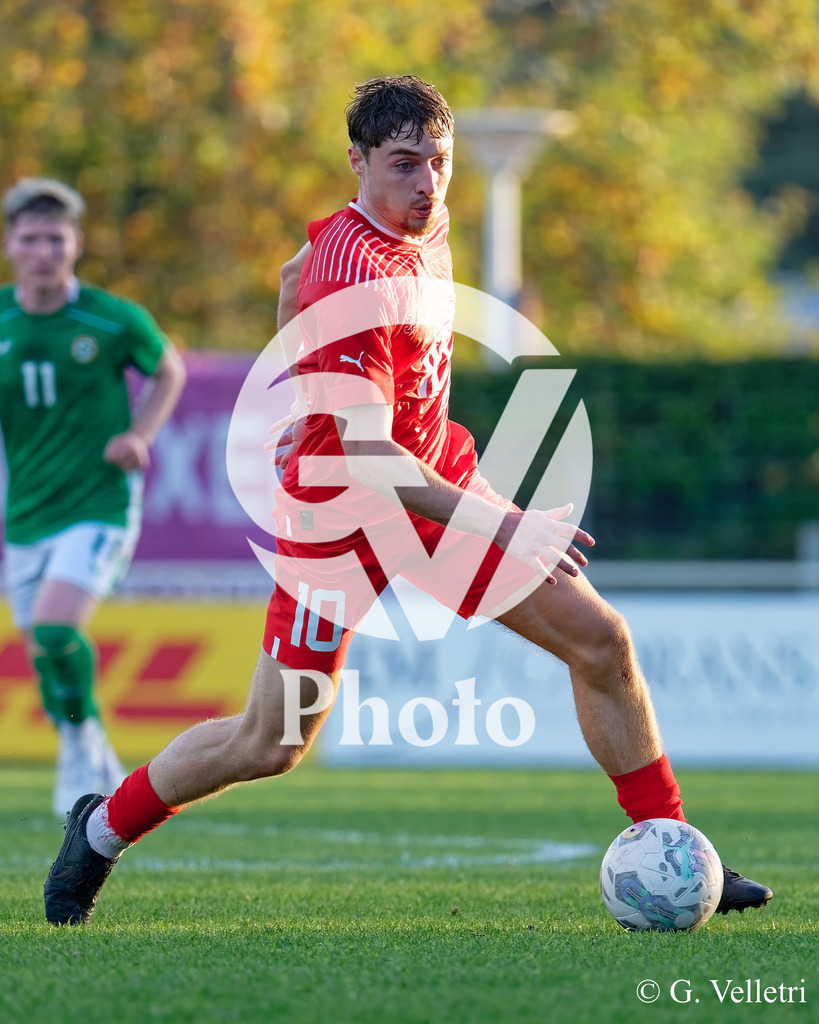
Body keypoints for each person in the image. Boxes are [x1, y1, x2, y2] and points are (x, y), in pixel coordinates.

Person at [43, 77, 771, 925]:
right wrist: (503, 519)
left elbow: (288, 276)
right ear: (356, 163)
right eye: (402, 165)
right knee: (269, 743)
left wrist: (297, 382)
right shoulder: (347, 276)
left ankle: (672, 855)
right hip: (343, 513)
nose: (426, 184)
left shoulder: (419, 222)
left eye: (438, 162)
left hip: (434, 487)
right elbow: (368, 453)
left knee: (601, 641)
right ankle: (98, 829)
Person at [0, 177, 186, 816]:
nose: (44, 250)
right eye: (31, 238)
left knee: (55, 626)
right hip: (25, 513)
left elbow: (169, 369)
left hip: (98, 504)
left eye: (56, 238)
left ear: (76, 243)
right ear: (10, 245)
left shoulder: (110, 318)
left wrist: (140, 434)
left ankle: (79, 749)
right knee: (46, 651)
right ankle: (86, 739)